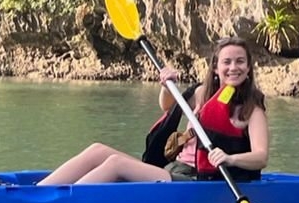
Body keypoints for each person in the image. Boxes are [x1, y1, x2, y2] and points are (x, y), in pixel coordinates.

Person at [43, 37, 271, 184]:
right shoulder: (203, 93)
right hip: (173, 168)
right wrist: (166, 86)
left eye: (240, 62)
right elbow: (167, 105)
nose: (234, 68)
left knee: (116, 164)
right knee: (97, 150)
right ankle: (38, 192)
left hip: (198, 180)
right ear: (215, 67)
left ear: (249, 68)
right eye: (227, 62)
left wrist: (229, 158)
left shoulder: (252, 109)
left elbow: (261, 157)